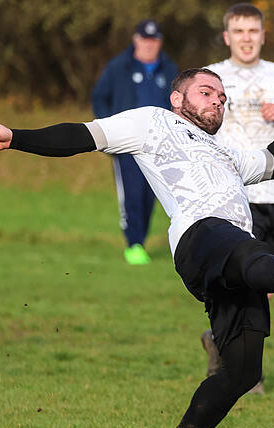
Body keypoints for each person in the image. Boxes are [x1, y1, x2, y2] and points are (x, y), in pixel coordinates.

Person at [0, 68, 274, 428]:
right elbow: (82, 135)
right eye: (206, 92)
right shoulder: (152, 122)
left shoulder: (225, 152)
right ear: (177, 99)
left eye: (222, 98)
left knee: (242, 372)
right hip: (200, 239)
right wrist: (15, 137)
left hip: (235, 260)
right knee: (239, 243)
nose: (217, 101)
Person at [201, 2, 274, 395]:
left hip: (273, 194)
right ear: (226, 36)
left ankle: (225, 349)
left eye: (253, 31)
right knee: (236, 279)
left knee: (262, 284)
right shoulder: (211, 76)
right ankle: (248, 371)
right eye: (239, 31)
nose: (246, 38)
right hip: (227, 194)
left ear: (263, 36)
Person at [91, 19, 178, 265]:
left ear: (160, 42)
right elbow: (99, 97)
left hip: (159, 146)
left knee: (151, 196)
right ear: (136, 40)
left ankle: (142, 240)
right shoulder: (119, 67)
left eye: (154, 40)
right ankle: (133, 244)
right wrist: (108, 130)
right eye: (145, 39)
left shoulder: (169, 69)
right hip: (126, 144)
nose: (149, 45)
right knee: (131, 194)